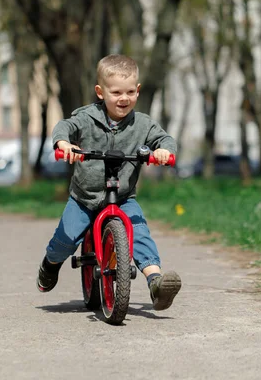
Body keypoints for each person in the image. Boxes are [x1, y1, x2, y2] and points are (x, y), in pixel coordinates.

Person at [36, 54, 181, 311]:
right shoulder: (87, 117)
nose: (123, 98)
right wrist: (64, 144)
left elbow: (164, 139)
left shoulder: (143, 124)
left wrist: (163, 152)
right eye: (115, 92)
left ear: (137, 91)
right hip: (85, 198)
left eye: (129, 92)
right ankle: (50, 264)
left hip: (123, 197)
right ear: (100, 92)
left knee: (139, 232)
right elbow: (64, 126)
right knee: (66, 238)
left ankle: (156, 284)